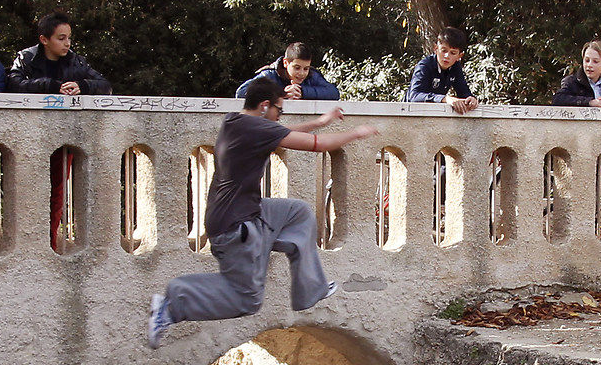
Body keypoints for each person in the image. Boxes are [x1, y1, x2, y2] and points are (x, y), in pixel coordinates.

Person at [148, 79, 378, 347]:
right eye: (279, 110)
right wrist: (356, 134)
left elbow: (281, 132)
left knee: (298, 212)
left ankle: (310, 288)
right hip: (234, 227)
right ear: (265, 106)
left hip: (250, 212)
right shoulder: (252, 128)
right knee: (247, 300)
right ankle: (171, 304)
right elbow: (317, 145)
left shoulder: (237, 122)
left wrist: (319, 122)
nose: (280, 116)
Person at [9, 11, 112, 96]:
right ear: (44, 40)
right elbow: (13, 85)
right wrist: (49, 86)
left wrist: (82, 86)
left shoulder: (76, 62)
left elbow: (106, 86)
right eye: (61, 38)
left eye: (69, 38)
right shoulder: (26, 59)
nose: (67, 43)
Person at [235, 41, 341, 103]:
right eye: (297, 68)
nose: (302, 73)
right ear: (286, 63)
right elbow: (241, 93)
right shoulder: (269, 75)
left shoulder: (312, 75)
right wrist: (282, 93)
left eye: (306, 68)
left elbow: (334, 93)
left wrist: (303, 92)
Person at [407, 27, 481, 114]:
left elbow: (464, 93)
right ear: (436, 49)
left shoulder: (455, 67)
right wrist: (445, 99)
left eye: (453, 53)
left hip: (433, 115)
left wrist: (471, 99)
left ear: (459, 56)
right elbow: (414, 96)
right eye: (444, 50)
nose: (447, 56)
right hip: (409, 113)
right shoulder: (424, 66)